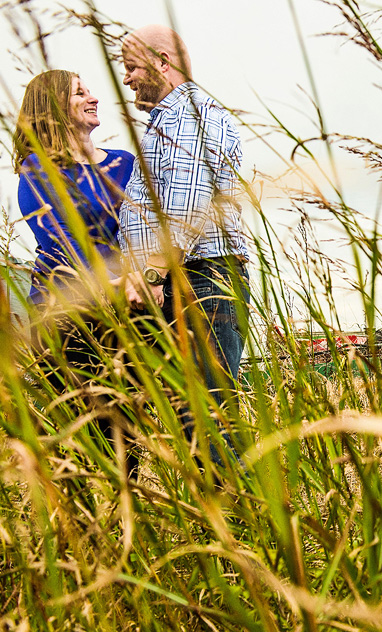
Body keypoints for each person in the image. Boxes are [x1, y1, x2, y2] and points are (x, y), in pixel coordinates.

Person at [118, 25, 250, 467]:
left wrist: (154, 270)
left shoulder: (192, 114)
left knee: (208, 425)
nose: (127, 79)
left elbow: (191, 206)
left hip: (199, 282)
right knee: (194, 424)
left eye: (132, 66)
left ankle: (234, 528)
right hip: (181, 283)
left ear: (162, 61)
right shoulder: (165, 123)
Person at [14, 69, 137, 475]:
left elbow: (145, 228)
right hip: (65, 316)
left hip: (130, 310)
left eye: (89, 89)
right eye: (79, 92)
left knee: (127, 436)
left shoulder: (125, 164)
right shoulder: (38, 169)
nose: (93, 97)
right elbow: (59, 240)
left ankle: (132, 526)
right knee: (84, 443)